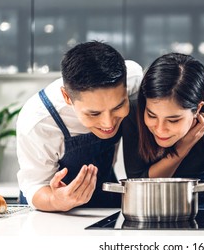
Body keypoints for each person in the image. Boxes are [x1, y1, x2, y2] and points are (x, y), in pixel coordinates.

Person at [16, 41, 142, 212]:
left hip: (102, 195)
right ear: (67, 97)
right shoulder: (38, 121)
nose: (108, 123)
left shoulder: (134, 78)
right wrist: (55, 200)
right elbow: (35, 186)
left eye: (118, 107)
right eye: (94, 114)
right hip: (51, 212)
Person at [122, 52, 204, 209]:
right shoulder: (133, 112)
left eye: (173, 120)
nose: (160, 129)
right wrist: (182, 149)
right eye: (151, 116)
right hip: (150, 207)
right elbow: (139, 188)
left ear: (198, 109)